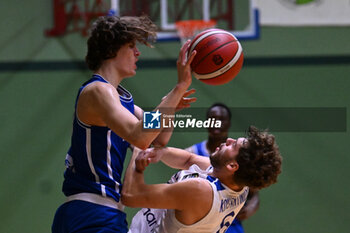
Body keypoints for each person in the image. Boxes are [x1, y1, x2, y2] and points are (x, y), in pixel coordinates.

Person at [52, 15, 197, 233]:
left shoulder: (121, 100)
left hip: (98, 211)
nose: (137, 52)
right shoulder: (98, 91)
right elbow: (140, 136)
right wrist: (178, 88)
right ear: (111, 50)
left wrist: (170, 104)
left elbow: (158, 139)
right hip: (92, 210)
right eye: (131, 46)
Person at [122, 126, 282, 233]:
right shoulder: (237, 184)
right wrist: (161, 152)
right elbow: (188, 160)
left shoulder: (201, 191)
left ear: (232, 166)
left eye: (234, 146)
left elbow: (130, 196)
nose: (229, 140)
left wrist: (138, 147)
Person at [185, 103, 259, 233]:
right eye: (212, 119)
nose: (216, 123)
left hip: (229, 227)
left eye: (221, 119)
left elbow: (254, 195)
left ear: (229, 123)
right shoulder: (191, 153)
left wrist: (251, 207)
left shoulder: (242, 158)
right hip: (200, 225)